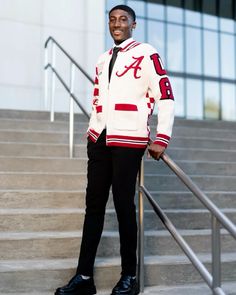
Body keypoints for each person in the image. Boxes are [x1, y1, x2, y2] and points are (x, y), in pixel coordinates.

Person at [55, 4, 174, 295]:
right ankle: (84, 278)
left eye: (123, 20)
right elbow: (100, 98)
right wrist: (92, 131)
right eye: (112, 20)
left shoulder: (146, 53)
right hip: (99, 140)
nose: (117, 24)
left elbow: (166, 96)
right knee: (93, 208)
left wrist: (162, 137)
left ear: (134, 25)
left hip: (129, 140)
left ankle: (129, 277)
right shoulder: (102, 58)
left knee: (123, 207)